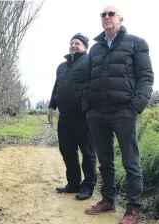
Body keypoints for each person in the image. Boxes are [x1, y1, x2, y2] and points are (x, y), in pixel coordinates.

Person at [82, 6, 154, 224]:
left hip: (124, 112)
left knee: (131, 163)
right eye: (103, 14)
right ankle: (107, 200)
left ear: (121, 19)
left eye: (110, 14)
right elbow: (88, 79)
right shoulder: (94, 49)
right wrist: (88, 107)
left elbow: (146, 76)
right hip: (97, 114)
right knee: (104, 160)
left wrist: (136, 106)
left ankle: (133, 209)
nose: (106, 17)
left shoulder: (136, 43)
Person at [48, 33, 97, 200]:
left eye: (77, 43)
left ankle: (88, 186)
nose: (73, 46)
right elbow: (57, 87)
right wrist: (52, 105)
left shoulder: (89, 62)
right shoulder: (62, 66)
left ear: (85, 47)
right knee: (67, 151)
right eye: (71, 43)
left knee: (88, 153)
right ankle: (73, 184)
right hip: (65, 117)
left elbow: (95, 84)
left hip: (84, 117)